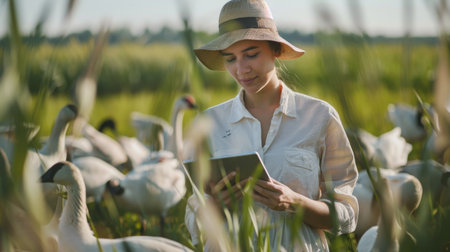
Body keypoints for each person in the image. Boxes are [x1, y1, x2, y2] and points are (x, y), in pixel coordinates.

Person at [184, 0, 359, 251]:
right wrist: (215, 208)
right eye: (230, 58)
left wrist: (294, 203)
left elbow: (347, 215)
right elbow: (193, 219)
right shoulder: (208, 124)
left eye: (251, 54)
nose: (241, 69)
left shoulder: (319, 116)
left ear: (275, 49)